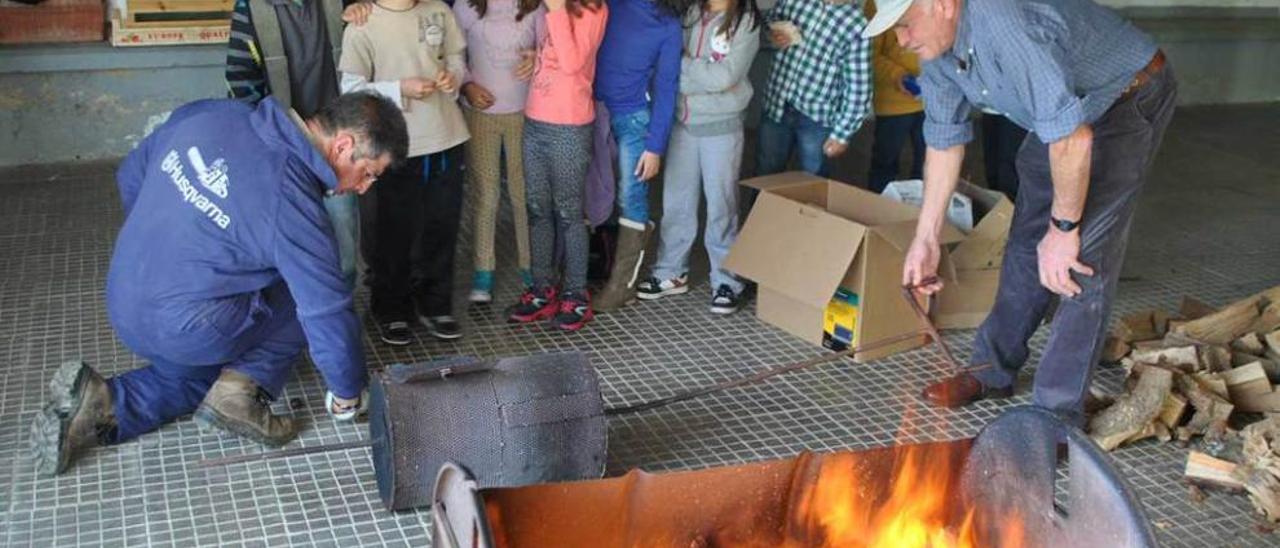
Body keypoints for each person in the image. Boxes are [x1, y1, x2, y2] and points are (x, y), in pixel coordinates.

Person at [29, 92, 409, 476]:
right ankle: (244, 389)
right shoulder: (293, 204)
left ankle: (105, 404)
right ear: (343, 146)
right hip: (184, 325)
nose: (364, 189)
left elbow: (130, 172)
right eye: (369, 173)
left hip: (124, 289)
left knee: (198, 377)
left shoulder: (215, 112)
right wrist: (348, 395)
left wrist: (167, 241)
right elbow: (327, 312)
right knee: (304, 295)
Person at [870, 0, 1177, 423]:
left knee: (1081, 258)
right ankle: (991, 370)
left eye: (905, 25)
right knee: (1027, 239)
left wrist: (1064, 229)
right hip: (1068, 115)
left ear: (940, 5)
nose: (902, 40)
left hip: (1125, 95)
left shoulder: (1005, 25)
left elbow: (1074, 141)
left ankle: (1055, 416)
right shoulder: (938, 51)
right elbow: (943, 141)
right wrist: (926, 240)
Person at [338, 0, 471, 346]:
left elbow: (456, 56)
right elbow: (350, 89)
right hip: (394, 144)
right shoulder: (361, 24)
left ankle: (436, 304)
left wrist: (453, 76)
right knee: (392, 233)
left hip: (447, 136)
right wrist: (399, 89)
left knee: (442, 226)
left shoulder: (439, 10)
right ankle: (391, 309)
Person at [225, 0, 362, 287]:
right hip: (281, 147)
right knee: (290, 236)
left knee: (343, 242)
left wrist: (362, 12)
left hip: (339, 143)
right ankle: (293, 321)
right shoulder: (250, 7)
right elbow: (241, 80)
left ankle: (339, 315)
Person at [636, 0, 760, 314]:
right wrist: (695, 70)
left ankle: (727, 280)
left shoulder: (745, 22)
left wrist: (686, 64)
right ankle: (671, 272)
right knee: (676, 202)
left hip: (722, 127)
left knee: (721, 204)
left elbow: (725, 77)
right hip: (682, 123)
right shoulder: (690, 14)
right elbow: (669, 66)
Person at [506, 0, 609, 330]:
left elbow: (572, 62)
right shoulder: (550, 8)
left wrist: (556, 9)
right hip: (535, 118)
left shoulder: (593, 9)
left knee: (569, 212)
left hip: (570, 125)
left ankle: (577, 296)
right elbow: (552, 53)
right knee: (537, 208)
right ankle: (541, 289)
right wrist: (534, 57)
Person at [590, 0, 686, 312]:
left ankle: (623, 286)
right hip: (593, 109)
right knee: (592, 190)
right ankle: (590, 269)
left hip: (635, 120)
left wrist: (655, 146)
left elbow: (667, 86)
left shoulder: (669, 24)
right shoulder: (611, 4)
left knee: (631, 196)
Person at [454, 0, 545, 304]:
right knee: (486, 194)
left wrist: (537, 59)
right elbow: (453, 55)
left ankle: (530, 267)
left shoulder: (536, 7)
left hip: (526, 112)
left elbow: (554, 49)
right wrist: (466, 85)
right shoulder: (467, 6)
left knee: (524, 192)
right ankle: (483, 271)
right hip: (480, 114)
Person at [755, 0, 871, 179]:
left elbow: (858, 86)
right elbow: (771, 20)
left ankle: (807, 208)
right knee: (766, 170)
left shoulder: (857, 24)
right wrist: (773, 34)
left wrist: (842, 133)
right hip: (777, 101)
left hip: (817, 116)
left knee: (813, 180)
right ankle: (760, 208)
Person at [865, 0, 925, 193]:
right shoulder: (877, 4)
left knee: (929, 162)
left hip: (932, 98)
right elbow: (870, 55)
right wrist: (898, 75)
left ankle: (923, 212)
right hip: (893, 103)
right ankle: (878, 212)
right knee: (885, 161)